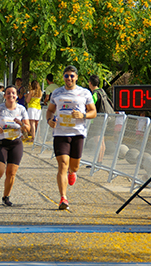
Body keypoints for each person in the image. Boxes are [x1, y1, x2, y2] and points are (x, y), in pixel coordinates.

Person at [46, 65, 97, 210]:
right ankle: (63, 198)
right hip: (60, 133)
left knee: (73, 166)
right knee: (62, 164)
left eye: (72, 76)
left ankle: (72, 172)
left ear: (76, 77)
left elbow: (93, 111)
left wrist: (83, 115)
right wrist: (50, 121)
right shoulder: (56, 92)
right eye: (66, 75)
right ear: (63, 77)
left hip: (77, 133)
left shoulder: (84, 92)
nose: (69, 78)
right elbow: (50, 111)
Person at [0, 86, 30, 206]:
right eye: (8, 93)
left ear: (17, 96)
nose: (11, 95)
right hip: (1, 143)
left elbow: (28, 128)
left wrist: (21, 124)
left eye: (13, 93)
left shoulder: (21, 109)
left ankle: (6, 196)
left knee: (11, 173)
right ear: (4, 96)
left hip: (16, 143)